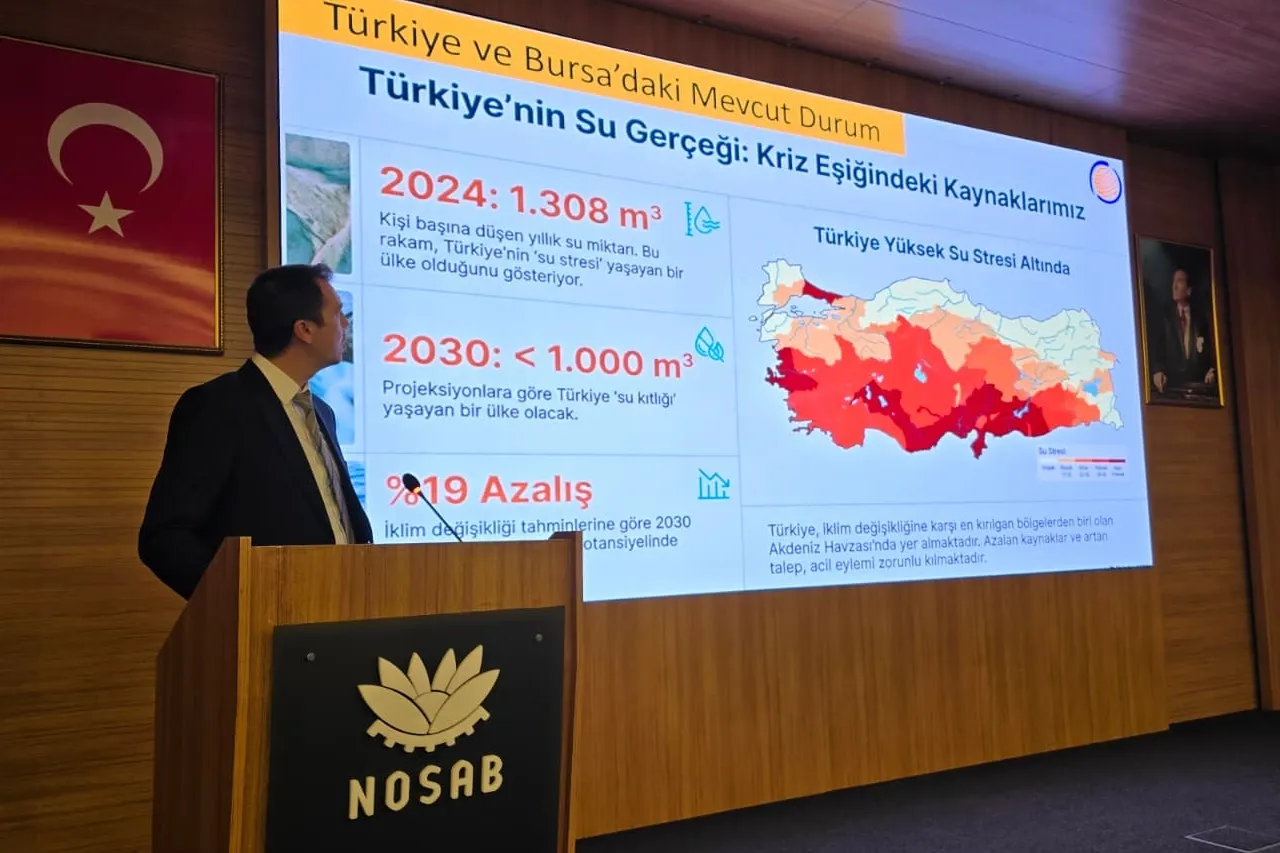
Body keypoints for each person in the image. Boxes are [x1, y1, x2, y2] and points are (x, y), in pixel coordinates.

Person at [138, 263, 372, 599]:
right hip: (269, 617)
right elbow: (165, 536)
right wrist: (242, 599)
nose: (345, 324)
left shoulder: (322, 411)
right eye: (338, 314)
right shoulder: (218, 406)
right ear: (305, 329)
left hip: (340, 606)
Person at [1149, 267, 1216, 397]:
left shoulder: (1201, 318)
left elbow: (1210, 348)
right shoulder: (1165, 317)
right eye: (1173, 281)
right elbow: (1158, 349)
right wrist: (1158, 371)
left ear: (1189, 290)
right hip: (1172, 387)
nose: (1174, 286)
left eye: (1179, 281)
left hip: (1198, 387)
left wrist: (1212, 370)